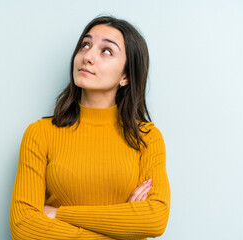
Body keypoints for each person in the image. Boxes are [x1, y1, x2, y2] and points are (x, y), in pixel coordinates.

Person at [10, 15, 171, 240]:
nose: (88, 56)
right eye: (85, 45)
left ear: (125, 76)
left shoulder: (147, 138)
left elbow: (154, 218)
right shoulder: (40, 133)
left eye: (106, 51)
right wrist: (124, 228)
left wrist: (58, 213)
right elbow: (24, 226)